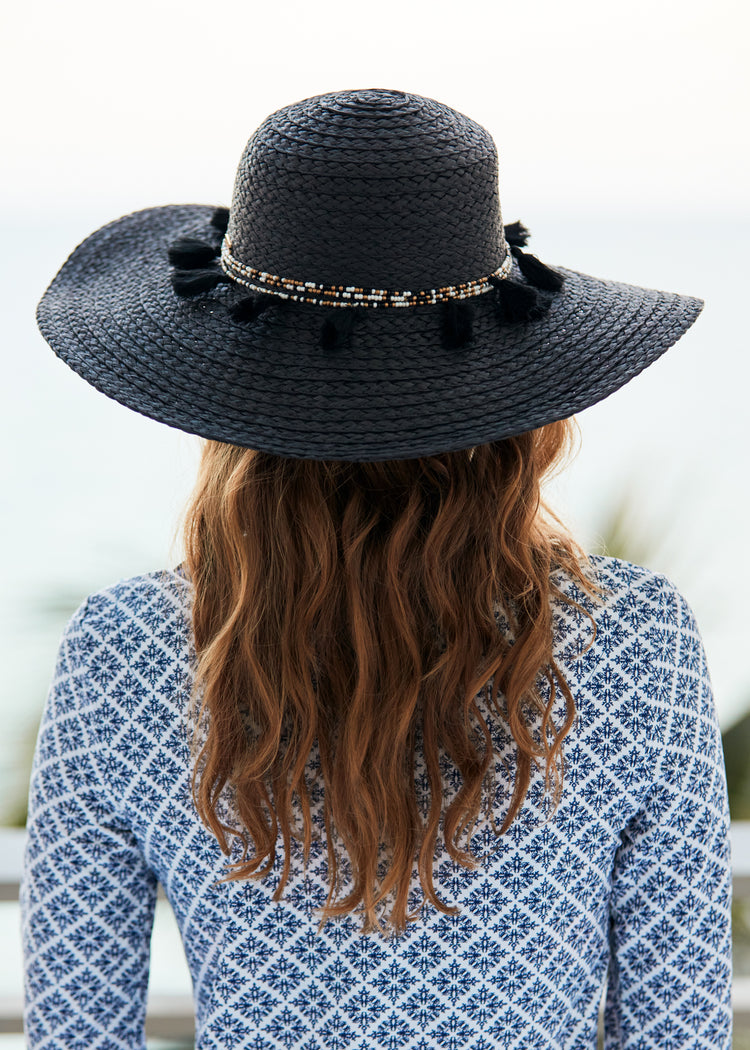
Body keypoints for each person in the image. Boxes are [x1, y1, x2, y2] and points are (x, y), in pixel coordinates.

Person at [21, 88, 731, 1049]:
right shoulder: (636, 636)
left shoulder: (124, 653)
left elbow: (76, 1032)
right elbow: (676, 1028)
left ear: (230, 396)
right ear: (523, 406)